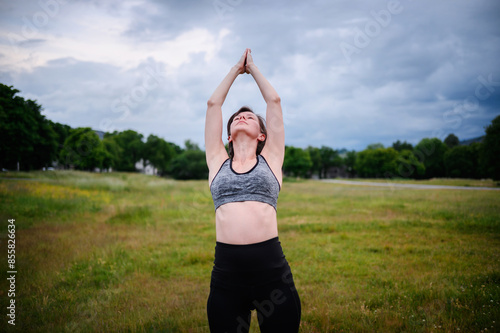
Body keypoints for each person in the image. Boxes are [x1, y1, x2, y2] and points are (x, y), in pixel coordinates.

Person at [205, 48, 301, 332]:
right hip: (226, 276)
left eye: (249, 117)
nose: (241, 116)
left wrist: (253, 68)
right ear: (228, 136)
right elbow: (213, 104)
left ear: (262, 134)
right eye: (236, 117)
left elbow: (274, 101)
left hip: (271, 275)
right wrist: (236, 69)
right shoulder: (217, 162)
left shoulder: (270, 160)